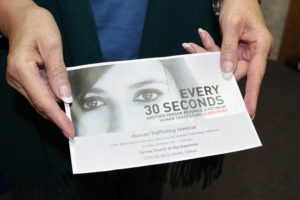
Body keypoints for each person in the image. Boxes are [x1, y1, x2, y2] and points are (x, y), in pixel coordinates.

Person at [0, 0, 273, 199]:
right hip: (51, 51)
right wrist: (15, 12)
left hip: (163, 43)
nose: (119, 117)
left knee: (144, 181)